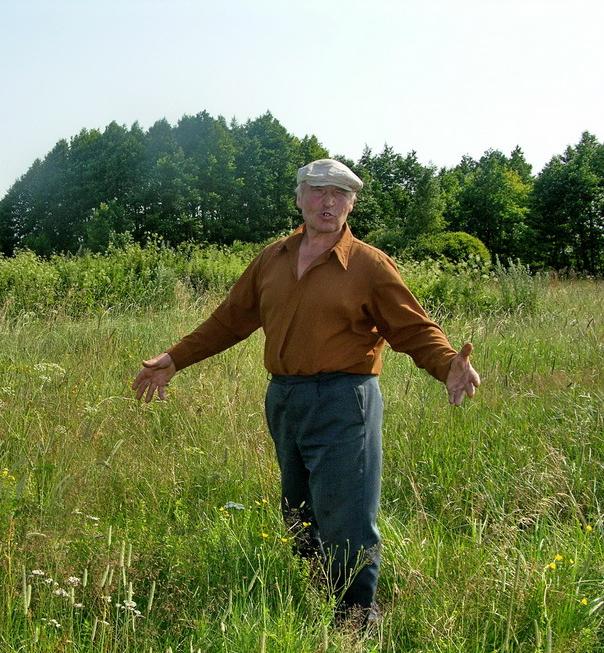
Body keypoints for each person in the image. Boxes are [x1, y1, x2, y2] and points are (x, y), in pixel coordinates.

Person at [132, 159, 480, 626]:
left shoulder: (369, 266)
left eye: (340, 193)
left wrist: (447, 365)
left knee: (348, 518)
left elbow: (413, 329)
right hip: (285, 398)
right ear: (299, 197)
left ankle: (357, 620)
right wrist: (174, 359)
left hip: (345, 399)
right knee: (298, 512)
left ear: (352, 203)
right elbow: (230, 320)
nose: (328, 201)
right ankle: (320, 596)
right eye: (318, 190)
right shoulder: (272, 259)